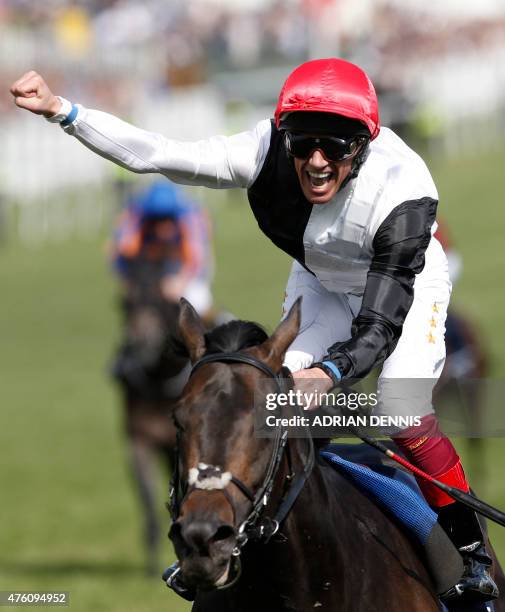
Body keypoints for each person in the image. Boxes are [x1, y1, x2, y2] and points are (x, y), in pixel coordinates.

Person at [10, 59, 498, 604]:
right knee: (267, 407)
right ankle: (219, 545)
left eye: (335, 147)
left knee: (400, 410)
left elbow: (380, 324)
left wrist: (331, 371)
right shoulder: (263, 149)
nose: (316, 161)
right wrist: (64, 112)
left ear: (364, 143)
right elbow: (158, 154)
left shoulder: (404, 194)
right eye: (304, 143)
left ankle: (470, 550)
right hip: (320, 277)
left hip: (401, 282)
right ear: (284, 134)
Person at [110, 179, 214, 320]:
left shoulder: (190, 220)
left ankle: (215, 325)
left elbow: (198, 261)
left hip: (184, 271)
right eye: (157, 219)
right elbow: (120, 256)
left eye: (167, 219)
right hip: (149, 273)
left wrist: (180, 283)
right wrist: (130, 282)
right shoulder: (135, 218)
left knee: (198, 300)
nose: (162, 226)